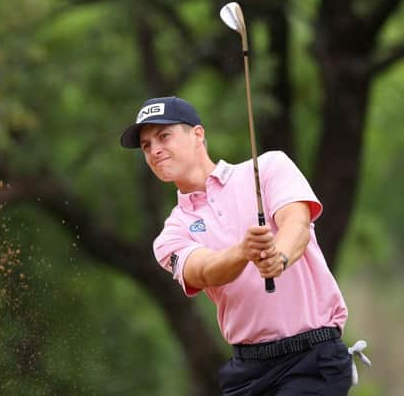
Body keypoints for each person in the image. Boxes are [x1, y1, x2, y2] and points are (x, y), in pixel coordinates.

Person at [120, 96, 363, 395]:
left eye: (163, 136)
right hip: (248, 370)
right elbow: (204, 271)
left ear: (198, 134)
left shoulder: (269, 167)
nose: (155, 150)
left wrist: (280, 257)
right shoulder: (171, 233)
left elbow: (296, 224)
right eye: (146, 146)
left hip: (313, 356)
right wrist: (243, 251)